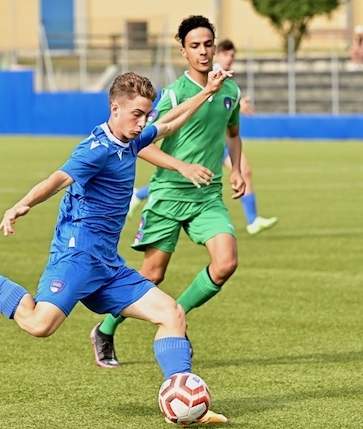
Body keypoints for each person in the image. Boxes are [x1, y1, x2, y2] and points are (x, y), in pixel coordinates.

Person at [0, 69, 232, 424]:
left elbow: (170, 124)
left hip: (106, 264)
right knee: (39, 324)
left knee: (171, 314)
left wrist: (207, 91)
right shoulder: (95, 150)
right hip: (76, 256)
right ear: (115, 108)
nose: (143, 121)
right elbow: (57, 179)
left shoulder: (131, 139)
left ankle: (186, 402)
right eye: (137, 114)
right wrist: (21, 204)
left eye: (146, 114)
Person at [91, 15, 246, 369]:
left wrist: (236, 169)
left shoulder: (231, 91)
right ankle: (105, 328)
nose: (203, 51)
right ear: (183, 51)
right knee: (151, 276)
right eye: (195, 46)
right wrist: (182, 165)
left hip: (207, 196)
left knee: (226, 263)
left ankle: (176, 317)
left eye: (208, 44)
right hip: (168, 195)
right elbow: (142, 146)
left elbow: (233, 135)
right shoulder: (175, 94)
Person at [129, 39, 277, 236]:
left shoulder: (229, 86)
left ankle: (252, 220)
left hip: (215, 142)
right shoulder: (202, 74)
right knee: (185, 176)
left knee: (239, 170)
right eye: (227, 55)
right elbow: (205, 95)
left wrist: (237, 103)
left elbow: (223, 106)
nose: (230, 59)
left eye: (233, 56)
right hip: (197, 144)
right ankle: (139, 195)